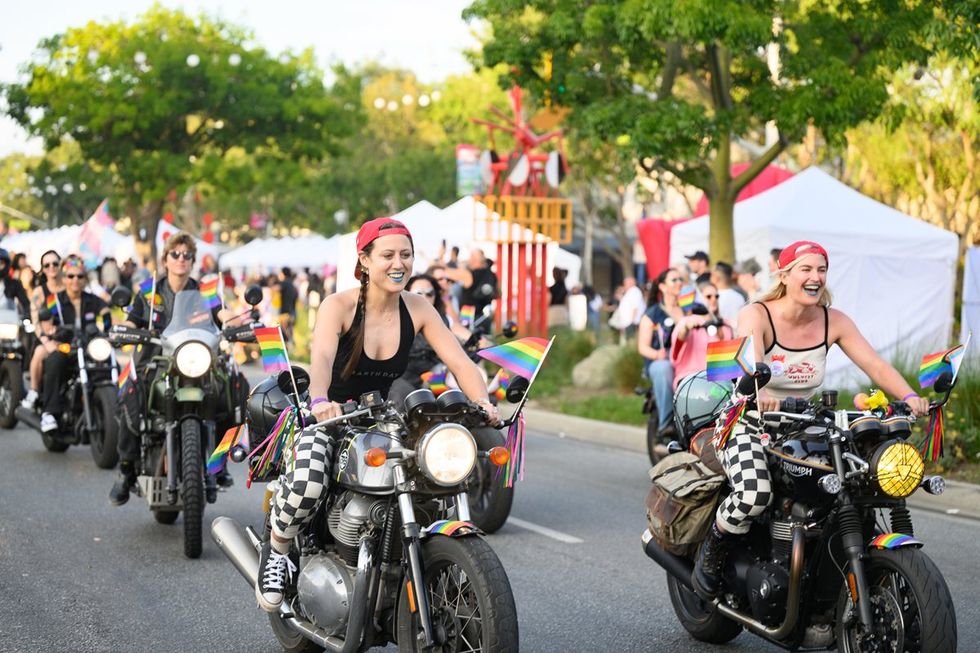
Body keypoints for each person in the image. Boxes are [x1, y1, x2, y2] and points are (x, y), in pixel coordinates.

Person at [256, 218, 501, 612]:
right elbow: (320, 358)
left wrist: (484, 402)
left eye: (405, 254)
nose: (398, 262)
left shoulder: (419, 307)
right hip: (329, 415)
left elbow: (460, 361)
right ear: (365, 259)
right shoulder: (339, 305)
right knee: (310, 478)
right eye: (387, 255)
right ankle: (279, 550)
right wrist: (320, 401)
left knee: (428, 476)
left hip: (380, 417)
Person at [692, 240, 931, 599]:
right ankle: (711, 554)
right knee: (755, 493)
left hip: (803, 423)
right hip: (749, 420)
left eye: (821, 270)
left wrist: (910, 397)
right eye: (806, 269)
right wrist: (761, 391)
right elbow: (750, 358)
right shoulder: (757, 313)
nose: (815, 277)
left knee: (853, 482)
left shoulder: (832, 320)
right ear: (784, 275)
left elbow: (876, 365)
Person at [109, 233, 239, 505]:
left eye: (186, 255)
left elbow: (221, 313)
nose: (181, 259)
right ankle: (125, 469)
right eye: (175, 254)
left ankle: (220, 462)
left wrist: (236, 321)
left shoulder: (204, 291)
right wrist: (124, 330)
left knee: (231, 389)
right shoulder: (148, 290)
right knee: (130, 393)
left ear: (192, 261)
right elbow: (133, 320)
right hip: (156, 360)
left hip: (197, 360)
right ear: (165, 259)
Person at [37, 255, 111, 433]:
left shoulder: (92, 300)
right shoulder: (54, 301)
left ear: (85, 279)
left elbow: (106, 313)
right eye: (70, 276)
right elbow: (46, 322)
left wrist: (108, 329)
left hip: (90, 349)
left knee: (108, 363)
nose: (75, 280)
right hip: (66, 347)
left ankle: (112, 410)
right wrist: (51, 331)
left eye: (79, 276)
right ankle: (49, 413)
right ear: (64, 278)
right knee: (55, 361)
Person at [388, 273, 486, 405]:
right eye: (419, 293)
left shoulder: (443, 320)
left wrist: (479, 343)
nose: (424, 298)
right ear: (406, 294)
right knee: (405, 397)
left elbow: (461, 355)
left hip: (436, 376)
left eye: (430, 294)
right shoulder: (394, 320)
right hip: (405, 381)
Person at [637, 268, 685, 435]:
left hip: (686, 361)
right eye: (674, 280)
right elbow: (642, 347)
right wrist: (658, 354)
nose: (679, 282)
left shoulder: (688, 310)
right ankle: (666, 425)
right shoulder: (652, 313)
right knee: (664, 368)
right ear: (663, 287)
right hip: (661, 361)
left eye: (680, 279)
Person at [670, 281, 735, 389]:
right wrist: (686, 329)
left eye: (716, 296)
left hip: (718, 380)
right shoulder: (687, 322)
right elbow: (677, 349)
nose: (713, 299)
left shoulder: (725, 324)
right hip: (690, 378)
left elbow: (729, 363)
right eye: (708, 296)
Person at [22, 250, 64, 410]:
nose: (52, 267)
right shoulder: (40, 292)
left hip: (70, 336)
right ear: (43, 269)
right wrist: (46, 341)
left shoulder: (70, 285)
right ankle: (34, 390)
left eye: (55, 263)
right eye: (47, 265)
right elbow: (36, 322)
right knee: (40, 352)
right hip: (47, 339)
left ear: (60, 265)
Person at [443, 248, 498, 318]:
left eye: (471, 257)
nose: (469, 260)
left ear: (474, 260)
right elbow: (498, 293)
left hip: (468, 312)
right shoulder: (492, 275)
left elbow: (446, 272)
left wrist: (441, 256)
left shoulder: (468, 274)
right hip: (485, 314)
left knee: (466, 328)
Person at [711, 262, 746, 328]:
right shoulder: (739, 297)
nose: (710, 277)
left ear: (716, 277)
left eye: (711, 274)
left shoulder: (711, 298)